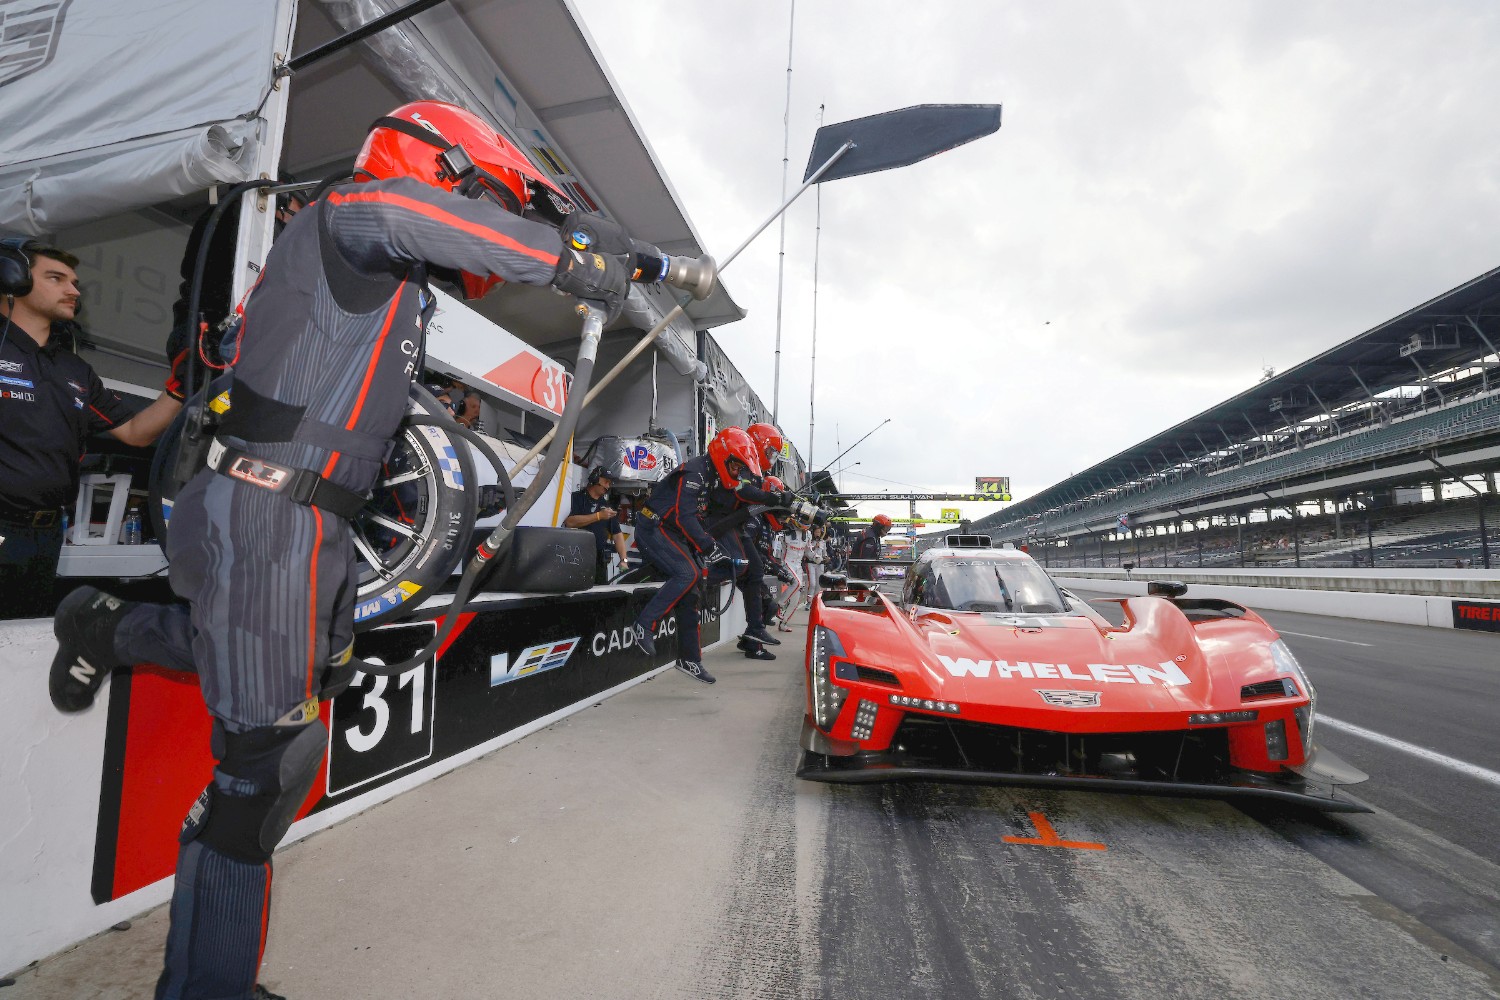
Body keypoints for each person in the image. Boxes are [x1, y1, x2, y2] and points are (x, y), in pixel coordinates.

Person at [46, 100, 671, 1000]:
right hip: (269, 519)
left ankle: (107, 626)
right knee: (264, 772)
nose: (485, 211)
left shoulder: (386, 280)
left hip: (306, 526)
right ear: (439, 170)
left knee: (299, 677)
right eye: (480, 193)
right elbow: (406, 214)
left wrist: (620, 261)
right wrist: (578, 254)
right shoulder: (353, 218)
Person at [0, 240, 186, 618]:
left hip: (44, 535)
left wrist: (182, 385)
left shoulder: (74, 370)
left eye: (74, 282)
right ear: (12, 280)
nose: (74, 290)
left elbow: (136, 432)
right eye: (56, 278)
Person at [630, 426, 762, 684]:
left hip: (671, 533)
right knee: (687, 573)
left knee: (692, 587)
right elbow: (685, 517)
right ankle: (644, 623)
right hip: (652, 527)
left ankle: (689, 659)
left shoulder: (713, 475)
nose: (737, 473)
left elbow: (702, 517)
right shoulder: (696, 472)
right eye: (736, 467)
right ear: (723, 456)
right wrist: (709, 547)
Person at [703, 466, 791, 655]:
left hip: (747, 565)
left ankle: (752, 640)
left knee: (765, 599)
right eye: (780, 516)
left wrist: (776, 569)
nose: (781, 520)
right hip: (734, 557)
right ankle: (753, 643)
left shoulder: (764, 522)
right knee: (763, 597)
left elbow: (764, 554)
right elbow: (747, 547)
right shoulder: (755, 519)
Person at [565, 466, 629, 583]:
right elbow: (569, 522)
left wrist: (623, 559)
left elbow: (617, 534)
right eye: (606, 482)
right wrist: (599, 516)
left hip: (599, 559)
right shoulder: (575, 498)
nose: (608, 486)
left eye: (609, 483)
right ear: (595, 479)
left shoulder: (607, 505)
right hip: (576, 556)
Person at [774, 521, 810, 630]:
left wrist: (817, 557)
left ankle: (784, 623)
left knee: (796, 600)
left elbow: (809, 551)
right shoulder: (786, 531)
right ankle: (779, 605)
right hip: (787, 563)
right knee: (797, 583)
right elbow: (777, 549)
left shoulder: (808, 534)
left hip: (798, 566)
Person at [851, 513, 893, 580]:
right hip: (860, 575)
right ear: (879, 526)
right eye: (886, 528)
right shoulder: (870, 538)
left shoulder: (872, 534)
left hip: (861, 572)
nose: (886, 531)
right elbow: (864, 561)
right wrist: (870, 577)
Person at [803, 524, 828, 610]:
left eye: (819, 532)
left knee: (818, 584)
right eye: (816, 532)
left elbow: (824, 553)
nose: (818, 533)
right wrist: (814, 547)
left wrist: (826, 558)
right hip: (811, 563)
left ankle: (815, 601)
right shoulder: (809, 541)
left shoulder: (823, 542)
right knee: (812, 583)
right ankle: (809, 602)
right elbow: (806, 552)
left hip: (820, 564)